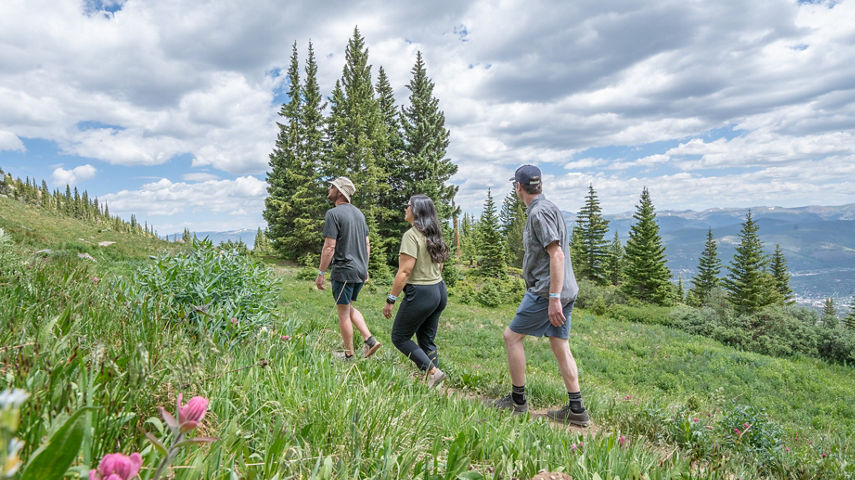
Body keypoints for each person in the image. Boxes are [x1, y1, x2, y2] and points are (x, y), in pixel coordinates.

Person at [493, 165, 590, 427]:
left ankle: (517, 401)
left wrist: (554, 298)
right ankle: (577, 409)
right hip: (565, 290)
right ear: (540, 185)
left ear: (518, 187)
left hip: (547, 291)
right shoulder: (550, 208)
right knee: (560, 344)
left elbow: (556, 254)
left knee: (511, 337)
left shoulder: (539, 213)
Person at [383, 194, 449, 388]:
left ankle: (433, 372)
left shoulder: (411, 235)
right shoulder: (433, 234)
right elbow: (440, 265)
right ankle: (433, 384)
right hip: (439, 290)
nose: (406, 208)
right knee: (426, 340)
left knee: (400, 337)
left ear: (417, 210)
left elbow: (404, 271)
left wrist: (390, 299)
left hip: (421, 293)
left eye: (408, 205)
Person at [316, 176, 381, 360]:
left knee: (343, 313)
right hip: (359, 270)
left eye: (332, 187)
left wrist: (321, 273)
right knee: (349, 307)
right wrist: (365, 267)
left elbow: (329, 247)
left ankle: (349, 355)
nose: (329, 189)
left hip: (344, 270)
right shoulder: (359, 214)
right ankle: (369, 340)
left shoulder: (333, 214)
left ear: (340, 192)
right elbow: (367, 244)